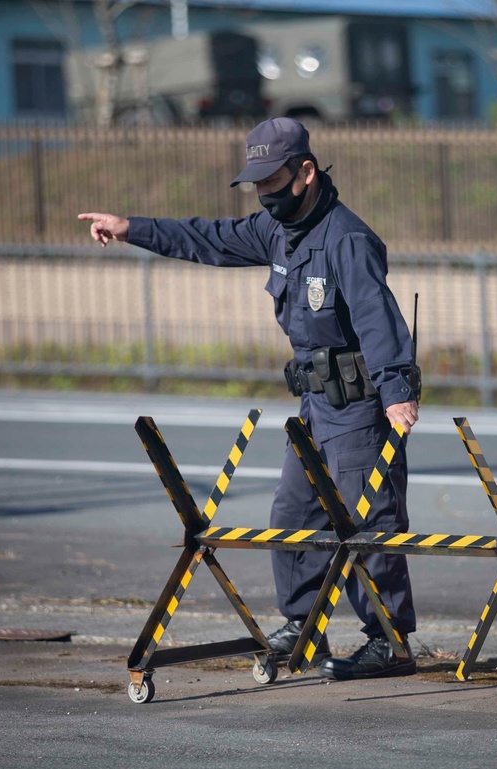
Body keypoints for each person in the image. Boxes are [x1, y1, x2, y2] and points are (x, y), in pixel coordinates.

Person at [79, 117, 419, 680]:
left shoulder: (347, 239)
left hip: (360, 409)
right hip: (314, 406)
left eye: (272, 180)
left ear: (305, 172)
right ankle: (303, 624)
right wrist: (129, 227)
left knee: (369, 524)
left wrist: (395, 393)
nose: (264, 193)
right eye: (256, 183)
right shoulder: (276, 231)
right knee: (292, 515)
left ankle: (389, 639)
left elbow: (377, 319)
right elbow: (206, 238)